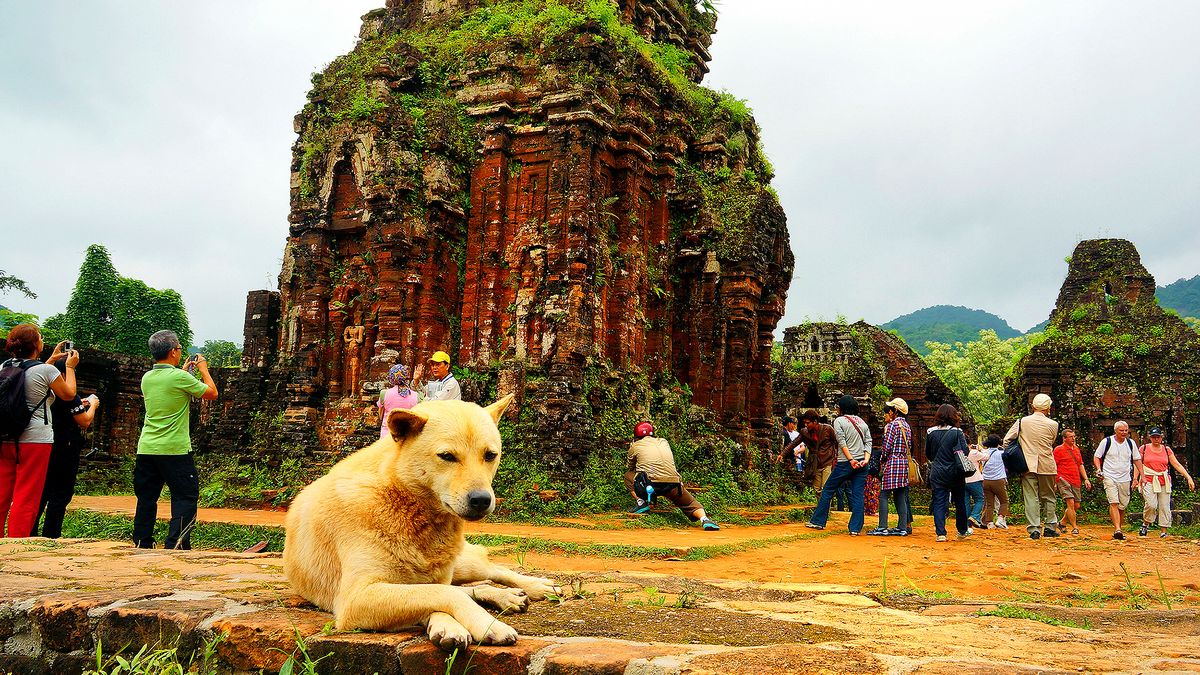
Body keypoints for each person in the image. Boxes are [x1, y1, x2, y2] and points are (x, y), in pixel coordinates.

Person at [132, 330, 218, 550]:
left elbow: (169, 386)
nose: (180, 351)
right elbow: (211, 393)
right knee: (185, 496)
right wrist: (203, 368)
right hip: (174, 449)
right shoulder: (180, 378)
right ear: (172, 352)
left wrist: (184, 372)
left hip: (147, 447)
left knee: (147, 497)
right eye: (179, 348)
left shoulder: (147, 377)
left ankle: (143, 541)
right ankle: (176, 543)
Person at [0, 325, 77, 537]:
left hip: (6, 436)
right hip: (35, 439)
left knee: (2, 491)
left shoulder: (4, 367)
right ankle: (18, 540)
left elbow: (32, 376)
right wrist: (69, 367)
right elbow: (69, 394)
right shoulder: (47, 371)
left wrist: (50, 360)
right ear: (36, 344)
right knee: (27, 493)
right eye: (41, 338)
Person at [37, 354, 100, 538]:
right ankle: (51, 534)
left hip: (45, 444)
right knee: (61, 493)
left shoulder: (44, 392)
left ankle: (30, 531)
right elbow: (85, 421)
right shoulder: (69, 397)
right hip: (66, 447)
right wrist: (93, 405)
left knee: (42, 491)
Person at [624, 421, 719, 530]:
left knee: (628, 476)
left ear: (636, 435)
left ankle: (642, 502)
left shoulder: (636, 445)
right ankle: (705, 519)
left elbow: (630, 466)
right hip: (673, 483)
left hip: (650, 482)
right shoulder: (664, 442)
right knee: (690, 502)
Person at [805, 395, 871, 535]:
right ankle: (855, 529)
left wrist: (851, 459)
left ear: (841, 408)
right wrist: (865, 459)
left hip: (846, 463)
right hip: (862, 463)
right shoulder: (863, 422)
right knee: (858, 494)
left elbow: (841, 442)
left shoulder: (839, 421)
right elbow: (868, 442)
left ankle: (818, 521)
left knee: (828, 489)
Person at [1003, 393, 1060, 540]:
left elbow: (1007, 441)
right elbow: (1051, 442)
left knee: (1030, 497)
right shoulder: (1053, 425)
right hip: (1047, 464)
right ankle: (1050, 526)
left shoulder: (1022, 421)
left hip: (1026, 464)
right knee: (1049, 496)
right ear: (1048, 408)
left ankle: (1034, 528)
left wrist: (1019, 454)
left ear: (1033, 406)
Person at [1138, 427, 1195, 538]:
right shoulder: (1143, 449)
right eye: (1154, 437)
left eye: (1158, 437)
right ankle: (1146, 523)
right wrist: (1136, 479)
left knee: (1164, 505)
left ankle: (1163, 530)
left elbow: (1176, 464)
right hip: (1148, 479)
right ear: (1150, 437)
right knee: (1151, 504)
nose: (1156, 439)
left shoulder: (1166, 450)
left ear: (1161, 437)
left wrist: (1188, 477)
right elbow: (1138, 464)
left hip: (1163, 479)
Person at [926, 404, 971, 542]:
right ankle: (962, 530)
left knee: (939, 501)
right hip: (955, 471)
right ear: (954, 416)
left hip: (937, 471)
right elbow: (965, 452)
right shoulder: (957, 432)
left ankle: (941, 533)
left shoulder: (930, 432)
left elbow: (928, 453)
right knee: (960, 501)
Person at [869, 398, 912, 536]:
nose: (887, 413)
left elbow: (886, 447)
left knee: (884, 495)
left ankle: (882, 526)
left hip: (892, 462)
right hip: (903, 462)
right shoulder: (907, 426)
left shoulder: (893, 425)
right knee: (900, 494)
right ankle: (902, 527)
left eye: (890, 410)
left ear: (895, 411)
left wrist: (881, 460)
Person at [1092, 420, 1142, 541]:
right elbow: (1097, 456)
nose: (1124, 432)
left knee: (1122, 505)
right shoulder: (1107, 442)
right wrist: (1099, 469)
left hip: (1125, 477)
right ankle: (1117, 529)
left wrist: (1141, 476)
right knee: (1113, 502)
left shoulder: (1131, 443)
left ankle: (1119, 527)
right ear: (1115, 431)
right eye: (1121, 430)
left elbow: (1137, 460)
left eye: (1126, 430)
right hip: (1109, 476)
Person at [1053, 429, 1091, 535]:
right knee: (1070, 502)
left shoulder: (1076, 449)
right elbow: (1053, 465)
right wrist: (1055, 481)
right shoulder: (1058, 450)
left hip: (1075, 479)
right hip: (1063, 478)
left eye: (1074, 436)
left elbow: (1080, 464)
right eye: (1070, 437)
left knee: (1076, 505)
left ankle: (1062, 523)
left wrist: (1086, 479)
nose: (1073, 439)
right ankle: (1075, 527)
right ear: (1064, 438)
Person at [797, 410, 838, 494]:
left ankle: (825, 507)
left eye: (808, 423)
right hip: (815, 463)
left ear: (815, 421)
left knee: (825, 487)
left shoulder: (828, 429)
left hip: (827, 462)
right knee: (816, 488)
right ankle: (821, 506)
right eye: (805, 423)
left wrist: (836, 457)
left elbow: (836, 442)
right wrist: (782, 454)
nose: (806, 425)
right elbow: (794, 442)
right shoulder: (805, 432)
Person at [377, 364, 419, 440]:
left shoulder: (384, 394)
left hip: (386, 437)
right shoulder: (416, 396)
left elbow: (380, 416)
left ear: (391, 378)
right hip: (408, 438)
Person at [979, 435, 1010, 529]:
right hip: (998, 480)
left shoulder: (984, 453)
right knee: (1004, 501)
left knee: (989, 503)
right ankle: (1000, 518)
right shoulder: (1001, 453)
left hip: (985, 480)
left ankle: (989, 523)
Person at [964, 442, 988, 529]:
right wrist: (981, 449)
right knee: (980, 499)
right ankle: (974, 516)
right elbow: (986, 457)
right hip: (975, 479)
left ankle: (966, 523)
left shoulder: (958, 453)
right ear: (969, 443)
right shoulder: (973, 452)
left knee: (965, 502)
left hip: (962, 481)